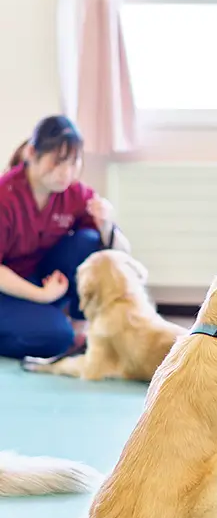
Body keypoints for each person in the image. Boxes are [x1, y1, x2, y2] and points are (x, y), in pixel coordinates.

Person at [0, 115, 130, 360]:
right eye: (57, 162)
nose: (66, 173)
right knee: (56, 337)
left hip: (39, 278)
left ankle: (79, 328)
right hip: (7, 288)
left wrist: (107, 224)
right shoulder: (5, 196)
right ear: (31, 153)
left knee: (90, 240)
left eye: (73, 163)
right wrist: (40, 295)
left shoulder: (74, 194)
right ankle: (47, 323)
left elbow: (120, 254)